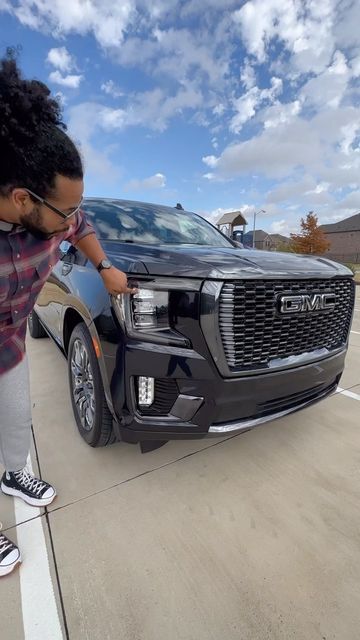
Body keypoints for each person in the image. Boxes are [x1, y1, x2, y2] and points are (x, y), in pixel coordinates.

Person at [0, 50, 135, 577]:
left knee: (15, 421)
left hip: (11, 343)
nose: (71, 221)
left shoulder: (57, 216)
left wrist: (105, 268)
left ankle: (12, 473)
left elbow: (80, 228)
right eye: (63, 211)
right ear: (20, 199)